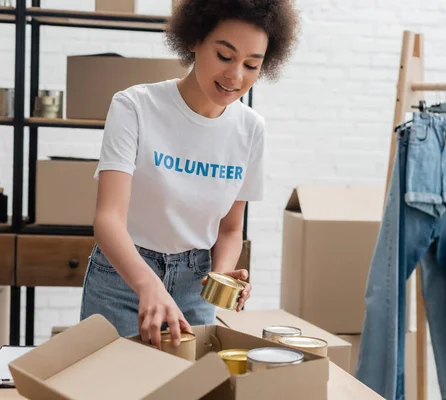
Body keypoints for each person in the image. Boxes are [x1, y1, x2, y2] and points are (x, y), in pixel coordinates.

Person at [79, 0, 299, 350]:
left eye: (251, 64)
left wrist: (222, 275)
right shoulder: (135, 106)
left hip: (195, 284)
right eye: (225, 56)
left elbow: (229, 229)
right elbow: (108, 219)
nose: (235, 76)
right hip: (121, 278)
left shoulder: (251, 130)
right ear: (195, 40)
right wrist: (149, 285)